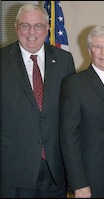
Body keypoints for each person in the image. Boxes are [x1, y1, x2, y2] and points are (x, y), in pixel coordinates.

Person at [1, 3, 76, 198]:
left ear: (48, 28)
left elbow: (71, 115)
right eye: (25, 25)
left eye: (38, 26)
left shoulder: (64, 60)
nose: (31, 32)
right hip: (12, 170)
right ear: (16, 27)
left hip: (54, 171)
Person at [59, 25, 104, 198]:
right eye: (97, 47)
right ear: (89, 50)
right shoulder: (74, 85)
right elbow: (69, 138)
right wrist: (79, 183)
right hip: (92, 182)